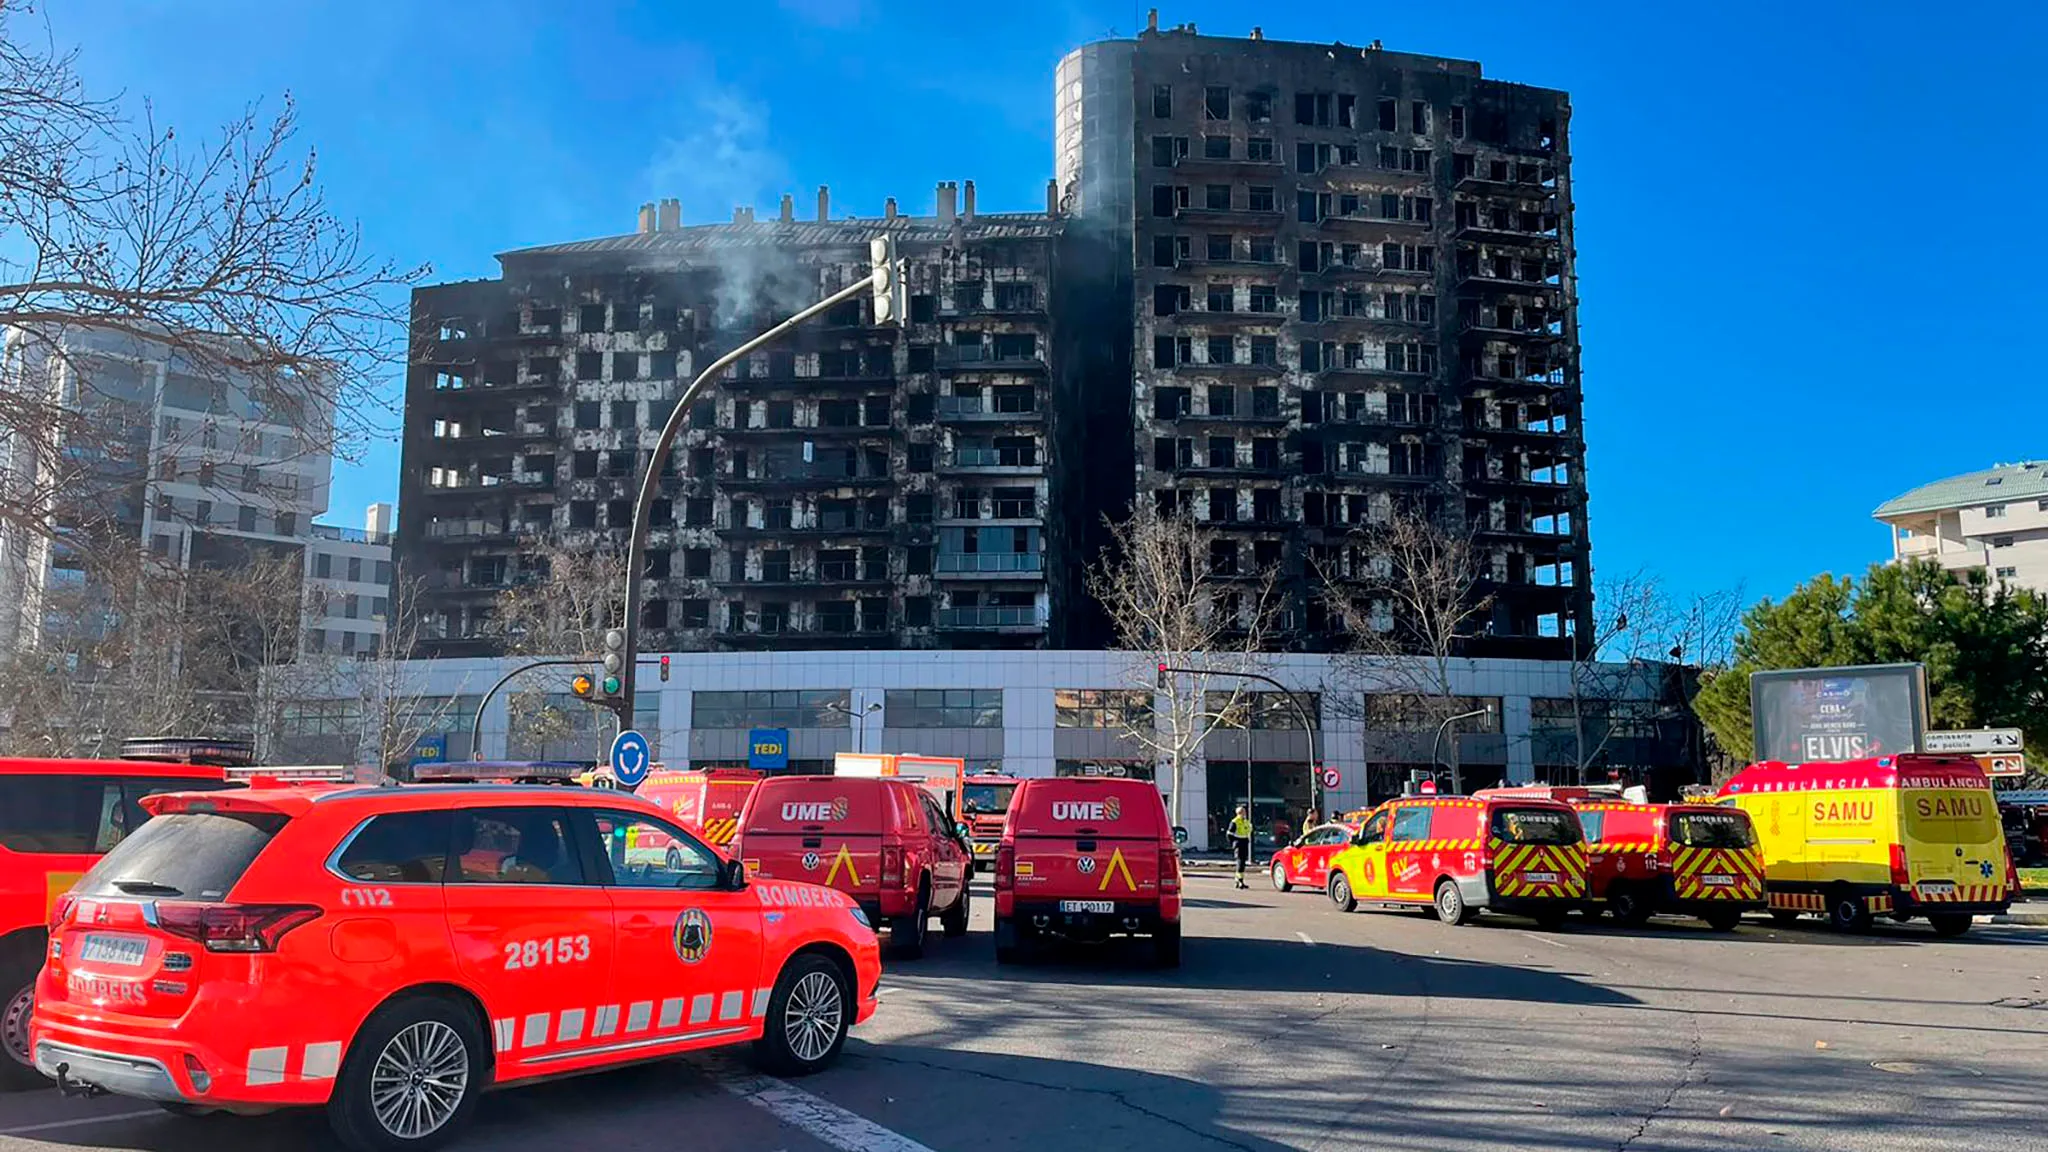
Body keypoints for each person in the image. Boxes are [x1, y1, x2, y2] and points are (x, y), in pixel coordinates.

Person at [1226, 804, 1253, 889]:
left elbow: (1249, 830)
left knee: (1243, 862)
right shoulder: (1235, 822)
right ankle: (1239, 880)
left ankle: (1238, 880)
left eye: (1244, 812)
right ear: (1239, 813)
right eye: (1243, 812)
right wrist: (1233, 843)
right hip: (1238, 842)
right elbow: (1229, 834)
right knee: (1240, 862)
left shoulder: (1245, 821)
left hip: (1244, 842)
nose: (1244, 813)